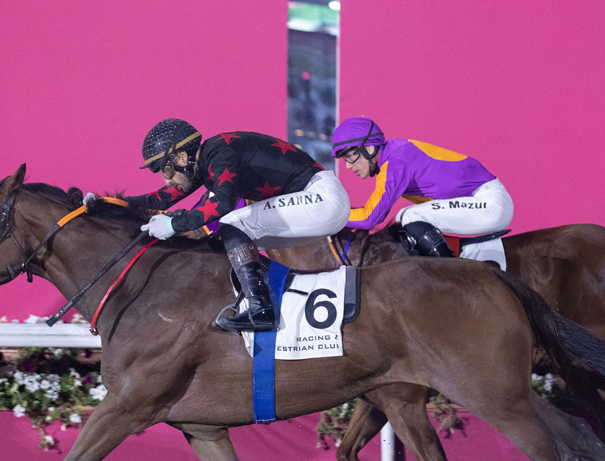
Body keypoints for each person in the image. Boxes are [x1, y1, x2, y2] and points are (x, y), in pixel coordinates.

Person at [85, 119, 350, 333]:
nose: (166, 180)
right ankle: (268, 300)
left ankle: (261, 310)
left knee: (232, 224)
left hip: (323, 199)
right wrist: (107, 204)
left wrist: (175, 224)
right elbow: (162, 199)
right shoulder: (205, 162)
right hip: (315, 202)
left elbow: (222, 204)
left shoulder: (219, 153)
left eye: (165, 170)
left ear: (181, 157)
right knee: (229, 241)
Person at [332, 117, 513, 258]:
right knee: (401, 219)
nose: (348, 165)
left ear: (369, 148)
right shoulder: (394, 154)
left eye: (349, 156)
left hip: (490, 203)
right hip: (481, 200)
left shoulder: (395, 163)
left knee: (410, 216)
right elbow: (374, 214)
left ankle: (451, 272)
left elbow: (369, 218)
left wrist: (329, 216)